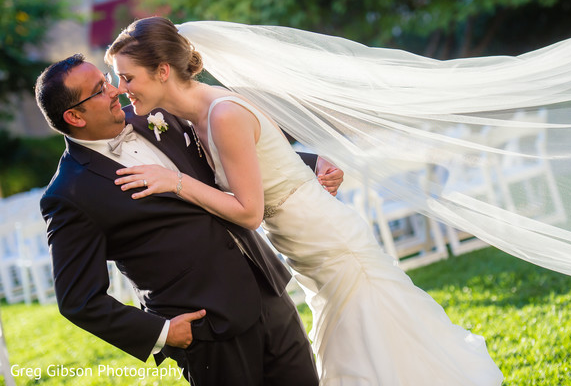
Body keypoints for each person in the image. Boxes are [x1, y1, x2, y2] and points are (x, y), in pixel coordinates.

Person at [106, 16, 504, 385]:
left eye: (126, 77)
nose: (120, 89)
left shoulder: (223, 114)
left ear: (162, 71)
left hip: (328, 243)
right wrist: (310, 163)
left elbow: (248, 211)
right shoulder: (189, 116)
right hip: (304, 249)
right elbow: (264, 162)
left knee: (378, 346)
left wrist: (175, 182)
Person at [34, 54, 343, 385]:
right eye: (99, 89)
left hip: (266, 289)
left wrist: (309, 164)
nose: (114, 90)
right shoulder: (69, 194)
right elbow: (78, 300)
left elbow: (229, 155)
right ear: (74, 116)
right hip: (207, 331)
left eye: (106, 80)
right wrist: (164, 332)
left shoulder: (153, 116)